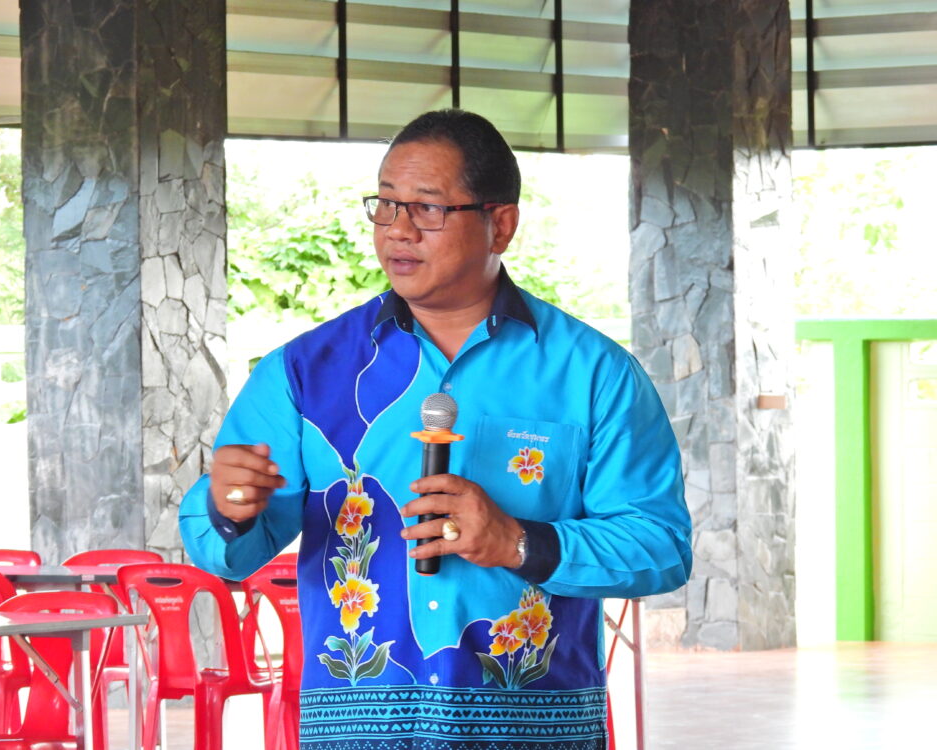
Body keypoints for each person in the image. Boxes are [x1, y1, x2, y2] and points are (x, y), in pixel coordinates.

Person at [179, 109, 692, 750]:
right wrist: (229, 510)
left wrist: (517, 542)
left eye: (427, 208)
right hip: (358, 735)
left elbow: (660, 546)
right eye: (385, 205)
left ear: (500, 225)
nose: (398, 229)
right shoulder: (303, 373)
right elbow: (221, 553)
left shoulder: (594, 374)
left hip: (534, 731)